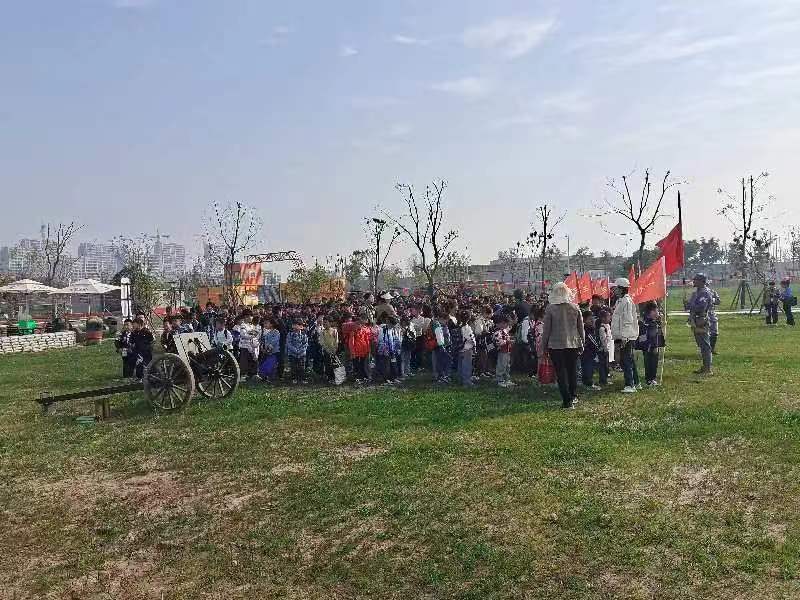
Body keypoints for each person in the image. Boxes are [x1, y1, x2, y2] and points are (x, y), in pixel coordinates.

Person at [542, 282, 585, 409]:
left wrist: (544, 346)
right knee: (572, 371)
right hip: (573, 343)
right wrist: (582, 343)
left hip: (555, 345)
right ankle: (573, 395)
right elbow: (581, 328)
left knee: (560, 373)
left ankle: (567, 401)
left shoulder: (550, 309)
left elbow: (546, 330)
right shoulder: (575, 307)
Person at [611, 277, 641, 392]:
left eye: (616, 288)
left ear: (621, 288)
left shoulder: (626, 301)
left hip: (626, 336)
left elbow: (628, 321)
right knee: (629, 359)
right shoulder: (620, 301)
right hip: (623, 335)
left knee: (626, 360)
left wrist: (624, 337)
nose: (614, 290)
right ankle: (636, 382)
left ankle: (630, 385)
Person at [685, 273, 714, 376]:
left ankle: (708, 369)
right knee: (701, 345)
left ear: (702, 281)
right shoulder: (697, 292)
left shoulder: (705, 293)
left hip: (701, 321)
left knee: (705, 346)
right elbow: (691, 306)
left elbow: (701, 307)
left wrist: (690, 306)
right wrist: (687, 304)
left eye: (696, 280)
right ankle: (705, 366)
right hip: (695, 321)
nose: (694, 281)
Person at [639, 301, 666, 386]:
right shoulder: (649, 323)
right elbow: (651, 335)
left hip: (650, 346)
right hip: (650, 346)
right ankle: (650, 379)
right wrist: (653, 346)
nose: (658, 313)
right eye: (656, 311)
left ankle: (650, 378)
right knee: (651, 362)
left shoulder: (651, 321)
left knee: (651, 361)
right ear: (651, 312)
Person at [376, 315, 401, 384]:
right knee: (386, 366)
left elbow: (395, 339)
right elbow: (380, 341)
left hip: (392, 351)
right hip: (385, 351)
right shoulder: (383, 330)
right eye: (392, 325)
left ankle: (394, 378)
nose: (393, 326)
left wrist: (397, 348)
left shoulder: (393, 330)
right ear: (389, 323)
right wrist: (384, 350)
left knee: (393, 364)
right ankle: (386, 379)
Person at [581, 311, 601, 391]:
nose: (592, 320)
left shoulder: (591, 329)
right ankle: (588, 383)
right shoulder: (586, 329)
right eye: (590, 319)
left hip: (591, 352)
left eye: (593, 318)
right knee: (588, 368)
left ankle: (587, 382)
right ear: (584, 320)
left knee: (589, 368)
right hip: (587, 352)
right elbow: (593, 341)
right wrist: (598, 348)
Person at [349, 315, 373, 383]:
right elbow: (351, 342)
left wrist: (368, 349)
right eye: (357, 324)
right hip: (356, 351)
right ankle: (357, 377)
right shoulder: (353, 331)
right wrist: (352, 351)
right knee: (356, 364)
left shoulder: (364, 330)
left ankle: (362, 377)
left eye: (360, 324)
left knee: (362, 364)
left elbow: (367, 341)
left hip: (363, 350)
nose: (359, 325)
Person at [492, 315, 514, 388]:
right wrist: (507, 341)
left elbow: (507, 337)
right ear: (500, 323)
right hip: (502, 351)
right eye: (504, 323)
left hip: (507, 351)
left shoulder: (504, 331)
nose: (506, 325)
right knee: (501, 366)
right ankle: (500, 380)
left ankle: (507, 379)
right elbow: (498, 342)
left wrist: (509, 339)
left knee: (507, 366)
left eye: (506, 323)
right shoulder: (497, 332)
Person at [431, 309, 452, 384]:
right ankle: (441, 377)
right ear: (442, 318)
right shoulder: (437, 325)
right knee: (440, 362)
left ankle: (443, 376)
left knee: (443, 361)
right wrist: (442, 346)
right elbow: (439, 336)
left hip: (442, 346)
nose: (446, 322)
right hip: (440, 346)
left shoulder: (440, 325)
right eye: (446, 320)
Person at [286, 319, 309, 383]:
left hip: (301, 354)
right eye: (294, 325)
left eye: (297, 325)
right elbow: (288, 343)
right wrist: (295, 350)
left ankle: (302, 378)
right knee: (293, 366)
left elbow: (305, 344)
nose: (295, 326)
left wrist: (300, 350)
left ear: (301, 326)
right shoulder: (290, 334)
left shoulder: (304, 335)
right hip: (292, 353)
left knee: (302, 366)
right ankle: (294, 378)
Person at [458, 310, 476, 387]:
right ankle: (466, 381)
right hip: (467, 349)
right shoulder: (466, 328)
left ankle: (461, 379)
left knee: (461, 365)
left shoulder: (459, 326)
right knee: (467, 365)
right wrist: (474, 346)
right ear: (469, 318)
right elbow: (470, 339)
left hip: (460, 348)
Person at [320, 316, 340, 382]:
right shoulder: (322, 332)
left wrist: (335, 349)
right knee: (327, 364)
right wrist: (327, 350)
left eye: (326, 322)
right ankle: (329, 377)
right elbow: (322, 342)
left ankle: (335, 377)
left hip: (334, 351)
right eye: (323, 323)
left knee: (335, 364)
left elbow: (336, 341)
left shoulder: (334, 330)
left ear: (330, 323)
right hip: (326, 351)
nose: (324, 324)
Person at [597, 309, 613, 386]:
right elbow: (603, 340)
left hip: (608, 349)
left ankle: (605, 378)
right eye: (608, 317)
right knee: (603, 365)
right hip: (603, 350)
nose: (610, 318)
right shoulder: (602, 328)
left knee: (606, 365)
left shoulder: (608, 326)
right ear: (603, 318)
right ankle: (603, 380)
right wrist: (606, 349)